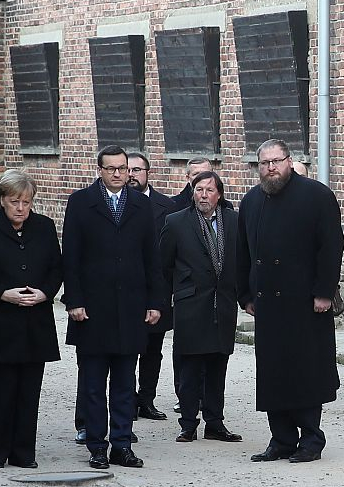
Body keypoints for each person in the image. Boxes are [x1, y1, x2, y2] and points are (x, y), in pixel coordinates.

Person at [238, 139, 344, 463]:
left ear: (289, 161)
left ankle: (311, 439)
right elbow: (243, 251)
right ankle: (281, 438)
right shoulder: (252, 200)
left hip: (305, 302)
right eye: (264, 163)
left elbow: (331, 247)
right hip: (268, 304)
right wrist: (245, 294)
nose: (271, 168)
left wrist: (324, 291)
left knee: (306, 373)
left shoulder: (316, 196)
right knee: (274, 373)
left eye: (277, 161)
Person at [63, 145, 162, 470]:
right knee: (93, 384)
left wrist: (154, 301)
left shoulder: (140, 204)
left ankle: (122, 444)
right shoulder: (81, 202)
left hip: (130, 307)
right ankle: (96, 445)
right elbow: (71, 256)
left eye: (124, 168)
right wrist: (74, 300)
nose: (120, 174)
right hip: (93, 309)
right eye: (112, 168)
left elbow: (151, 256)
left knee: (124, 382)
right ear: (100, 170)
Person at [0, 169, 61, 468]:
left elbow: (56, 269)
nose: (21, 208)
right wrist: (2, 293)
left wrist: (45, 293)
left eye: (27, 202)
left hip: (34, 323)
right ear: (2, 200)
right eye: (15, 201)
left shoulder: (44, 227)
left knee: (28, 393)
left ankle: (23, 453)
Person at [160, 170, 243, 443]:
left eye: (209, 190)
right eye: (198, 190)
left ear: (219, 194)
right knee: (190, 366)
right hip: (191, 304)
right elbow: (164, 264)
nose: (203, 195)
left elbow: (244, 260)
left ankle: (215, 421)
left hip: (223, 303)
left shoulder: (234, 221)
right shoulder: (176, 222)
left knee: (218, 364)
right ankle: (187, 423)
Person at [128, 152, 178, 421]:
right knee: (126, 348)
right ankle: (125, 400)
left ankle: (146, 399)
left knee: (153, 349)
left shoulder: (166, 206)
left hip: (157, 287)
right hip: (127, 288)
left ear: (148, 173)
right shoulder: (118, 204)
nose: (133, 175)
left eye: (138, 169)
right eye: (129, 170)